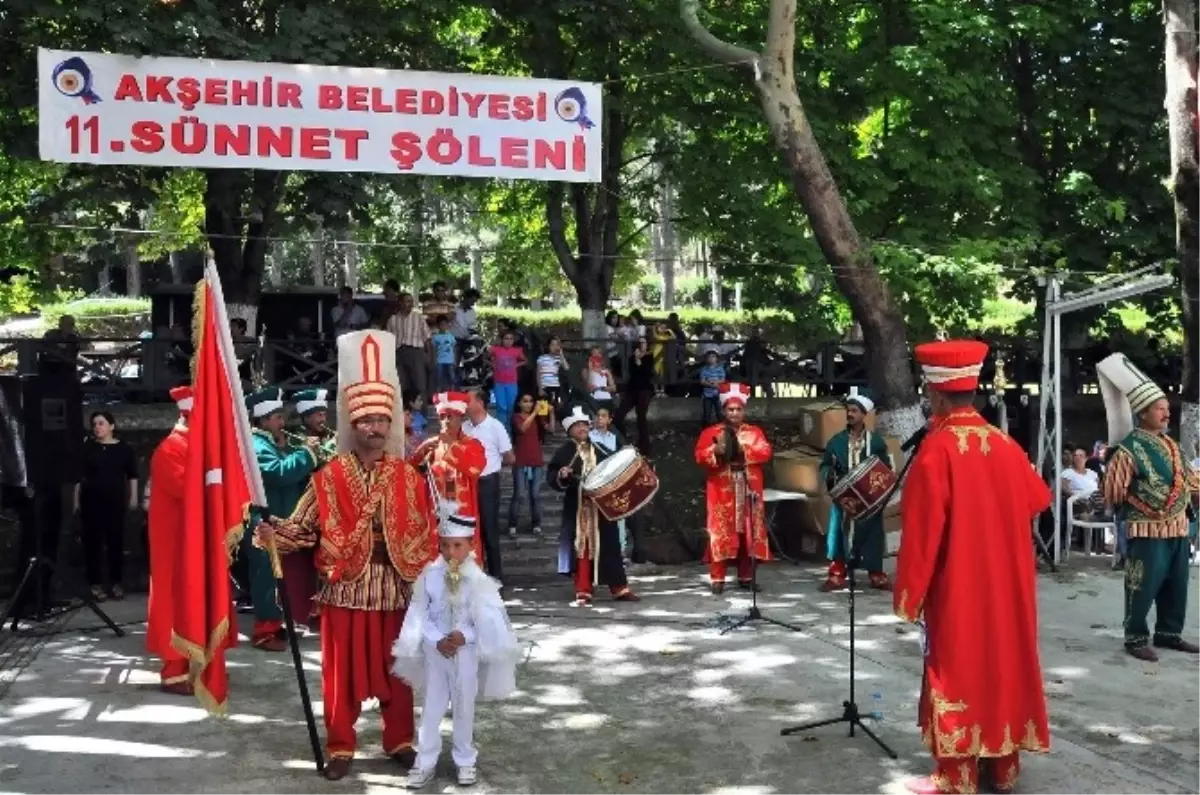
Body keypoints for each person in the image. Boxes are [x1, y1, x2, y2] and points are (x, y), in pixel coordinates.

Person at [254, 329, 438, 780]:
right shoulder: (328, 476)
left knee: (400, 672)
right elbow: (301, 528)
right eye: (366, 421)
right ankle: (340, 746)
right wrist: (270, 531)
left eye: (382, 420)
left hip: (395, 591)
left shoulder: (409, 476)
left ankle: (400, 740)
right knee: (340, 680)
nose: (375, 428)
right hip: (344, 592)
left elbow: (427, 531)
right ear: (352, 427)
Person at [895, 339, 1051, 795]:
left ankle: (956, 775)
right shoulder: (1004, 445)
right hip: (1008, 586)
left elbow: (921, 540)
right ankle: (1003, 769)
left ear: (937, 394)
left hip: (958, 587)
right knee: (1002, 665)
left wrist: (909, 597)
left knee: (958, 668)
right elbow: (1038, 499)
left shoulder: (936, 451)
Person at [391, 504, 520, 789]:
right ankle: (425, 762)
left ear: (470, 545)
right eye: (446, 546)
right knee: (432, 708)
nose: (451, 552)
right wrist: (437, 638)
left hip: (465, 654)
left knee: (464, 707)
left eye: (458, 546)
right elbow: (419, 614)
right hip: (435, 653)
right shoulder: (430, 577)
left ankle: (465, 760)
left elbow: (487, 619)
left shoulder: (479, 580)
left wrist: (465, 636)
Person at [1096, 353, 1200, 662]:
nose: (1167, 414)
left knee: (1176, 584)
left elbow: (1189, 481)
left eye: (1168, 409)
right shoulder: (1129, 448)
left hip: (1179, 525)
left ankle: (1169, 633)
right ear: (1143, 413)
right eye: (1160, 409)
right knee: (1142, 583)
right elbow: (1112, 490)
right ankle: (1135, 637)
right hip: (1146, 527)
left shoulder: (1173, 445)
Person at [244, 386, 318, 652]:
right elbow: (277, 473)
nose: (282, 421)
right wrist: (307, 454)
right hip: (262, 521)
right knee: (267, 576)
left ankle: (284, 622)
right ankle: (265, 631)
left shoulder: (274, 442)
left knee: (284, 576)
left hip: (282, 520)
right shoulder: (256, 444)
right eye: (276, 417)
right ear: (263, 420)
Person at [547, 406, 640, 606]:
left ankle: (619, 588)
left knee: (610, 546)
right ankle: (583, 589)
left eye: (584, 424)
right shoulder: (564, 452)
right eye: (577, 425)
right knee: (582, 547)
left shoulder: (599, 449)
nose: (582, 428)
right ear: (569, 430)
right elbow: (552, 477)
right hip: (578, 507)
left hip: (601, 508)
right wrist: (562, 475)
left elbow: (614, 469)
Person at [694, 383, 773, 594]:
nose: (735, 413)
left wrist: (741, 448)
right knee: (720, 532)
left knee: (748, 531)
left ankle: (746, 576)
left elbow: (765, 452)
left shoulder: (754, 432)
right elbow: (699, 456)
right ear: (724, 411)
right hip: (722, 490)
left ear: (743, 411)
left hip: (748, 487)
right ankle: (717, 577)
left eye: (738, 409)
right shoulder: (711, 432)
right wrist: (715, 450)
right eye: (731, 409)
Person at [146, 386, 195, 695]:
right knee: (174, 600)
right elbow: (188, 490)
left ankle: (195, 660)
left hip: (192, 539)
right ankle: (173, 670)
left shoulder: (190, 444)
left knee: (194, 598)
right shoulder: (170, 449)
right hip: (174, 542)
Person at [819, 390, 893, 592]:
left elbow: (885, 469)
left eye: (854, 410)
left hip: (868, 499)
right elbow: (825, 466)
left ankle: (876, 574)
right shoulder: (836, 442)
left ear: (864, 414)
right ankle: (836, 574)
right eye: (848, 410)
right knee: (837, 532)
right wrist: (831, 477)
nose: (850, 414)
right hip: (844, 498)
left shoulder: (876, 442)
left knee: (872, 533)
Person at [74, 410, 138, 602]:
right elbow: (79, 476)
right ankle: (95, 584)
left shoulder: (124, 449)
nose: (97, 427)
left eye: (101, 423)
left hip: (114, 500)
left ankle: (116, 582)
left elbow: (132, 475)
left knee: (115, 542)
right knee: (92, 543)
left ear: (111, 426)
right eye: (95, 424)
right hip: (91, 500)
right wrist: (76, 500)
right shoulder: (88, 448)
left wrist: (133, 497)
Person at [287, 387, 335, 629]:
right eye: (317, 415)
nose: (322, 419)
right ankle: (306, 611)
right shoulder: (295, 439)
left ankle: (323, 608)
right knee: (305, 564)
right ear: (305, 417)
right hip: (307, 508)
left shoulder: (329, 436)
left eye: (323, 414)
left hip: (330, 508)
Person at [464, 388, 514, 583]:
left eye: (469, 400)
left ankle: (496, 577)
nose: (465, 404)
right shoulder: (465, 427)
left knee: (489, 530)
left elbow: (509, 456)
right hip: (467, 483)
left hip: (488, 482)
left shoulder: (495, 426)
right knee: (469, 530)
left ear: (480, 403)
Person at [590, 406, 631, 559]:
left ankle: (621, 550)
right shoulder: (589, 437)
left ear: (609, 420)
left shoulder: (614, 438)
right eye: (597, 416)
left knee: (619, 514)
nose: (599, 418)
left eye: (603, 416)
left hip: (612, 481)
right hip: (597, 480)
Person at [508, 393, 548, 539]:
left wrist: (551, 413)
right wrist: (535, 413)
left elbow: (550, 429)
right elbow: (522, 429)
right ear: (519, 404)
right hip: (520, 460)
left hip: (536, 460)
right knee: (519, 494)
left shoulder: (537, 417)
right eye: (525, 401)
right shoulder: (516, 417)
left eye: (531, 401)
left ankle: (536, 525)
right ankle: (512, 526)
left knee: (535, 495)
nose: (529, 404)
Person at [614, 337, 655, 455]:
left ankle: (645, 447)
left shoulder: (649, 357)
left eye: (644, 342)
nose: (642, 345)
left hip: (645, 389)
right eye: (641, 343)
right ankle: (623, 441)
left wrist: (639, 360)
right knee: (619, 414)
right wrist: (635, 359)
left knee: (641, 416)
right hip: (632, 389)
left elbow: (646, 373)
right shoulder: (632, 358)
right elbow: (633, 372)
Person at [387, 292, 432, 398]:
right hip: (398, 353)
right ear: (400, 303)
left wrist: (429, 356)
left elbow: (427, 338)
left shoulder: (418, 317)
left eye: (412, 302)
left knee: (419, 385)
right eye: (407, 301)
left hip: (416, 352)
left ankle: (422, 413)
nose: (410, 304)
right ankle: (404, 413)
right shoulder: (392, 319)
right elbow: (388, 340)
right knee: (401, 385)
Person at [488, 330, 526, 430]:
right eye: (506, 339)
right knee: (501, 408)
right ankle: (500, 430)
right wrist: (492, 364)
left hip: (512, 383)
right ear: (502, 340)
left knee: (510, 407)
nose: (508, 341)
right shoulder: (495, 349)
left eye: (511, 339)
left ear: (513, 341)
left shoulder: (517, 351)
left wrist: (516, 365)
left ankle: (509, 431)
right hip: (499, 383)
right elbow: (485, 357)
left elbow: (525, 360)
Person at [536, 336, 569, 431]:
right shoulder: (542, 358)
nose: (554, 347)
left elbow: (566, 367)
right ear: (548, 346)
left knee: (555, 408)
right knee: (543, 409)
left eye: (557, 345)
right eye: (552, 345)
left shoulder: (558, 358)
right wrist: (540, 388)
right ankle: (545, 429)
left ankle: (553, 428)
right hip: (544, 386)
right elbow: (538, 374)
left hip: (555, 386)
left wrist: (561, 354)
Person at [583, 347, 616, 414]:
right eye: (594, 353)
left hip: (607, 399)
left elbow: (614, 388)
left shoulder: (606, 371)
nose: (596, 355)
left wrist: (603, 388)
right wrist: (590, 369)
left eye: (598, 353)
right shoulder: (586, 371)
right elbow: (588, 387)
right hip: (594, 400)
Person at [699, 349, 726, 425]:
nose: (711, 359)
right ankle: (705, 429)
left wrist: (716, 383)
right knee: (707, 414)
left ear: (716, 358)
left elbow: (723, 379)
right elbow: (702, 381)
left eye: (713, 357)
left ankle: (722, 429)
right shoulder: (704, 369)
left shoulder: (720, 369)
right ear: (706, 359)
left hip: (718, 394)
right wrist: (710, 384)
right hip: (707, 394)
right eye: (709, 357)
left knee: (719, 413)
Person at [431, 315, 458, 391]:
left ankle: (452, 395)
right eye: (441, 324)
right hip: (440, 361)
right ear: (438, 326)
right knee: (439, 379)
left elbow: (454, 348)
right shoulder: (435, 337)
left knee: (452, 379)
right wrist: (434, 360)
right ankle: (439, 395)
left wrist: (455, 360)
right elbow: (434, 349)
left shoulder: (451, 336)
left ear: (447, 325)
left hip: (450, 361)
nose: (443, 326)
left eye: (445, 324)